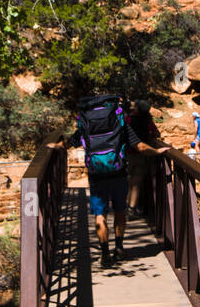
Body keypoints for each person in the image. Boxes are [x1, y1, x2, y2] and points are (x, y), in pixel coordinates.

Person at [63, 91, 168, 266]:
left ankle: (104, 254)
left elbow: (71, 142)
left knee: (99, 214)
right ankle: (119, 248)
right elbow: (140, 146)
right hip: (118, 172)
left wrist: (56, 146)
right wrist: (157, 151)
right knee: (119, 211)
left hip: (96, 174)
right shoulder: (120, 123)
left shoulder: (86, 124)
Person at [126, 99, 166, 217]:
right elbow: (155, 134)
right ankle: (131, 208)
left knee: (128, 181)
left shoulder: (128, 119)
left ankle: (126, 206)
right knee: (136, 182)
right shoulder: (148, 120)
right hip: (142, 154)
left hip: (127, 153)